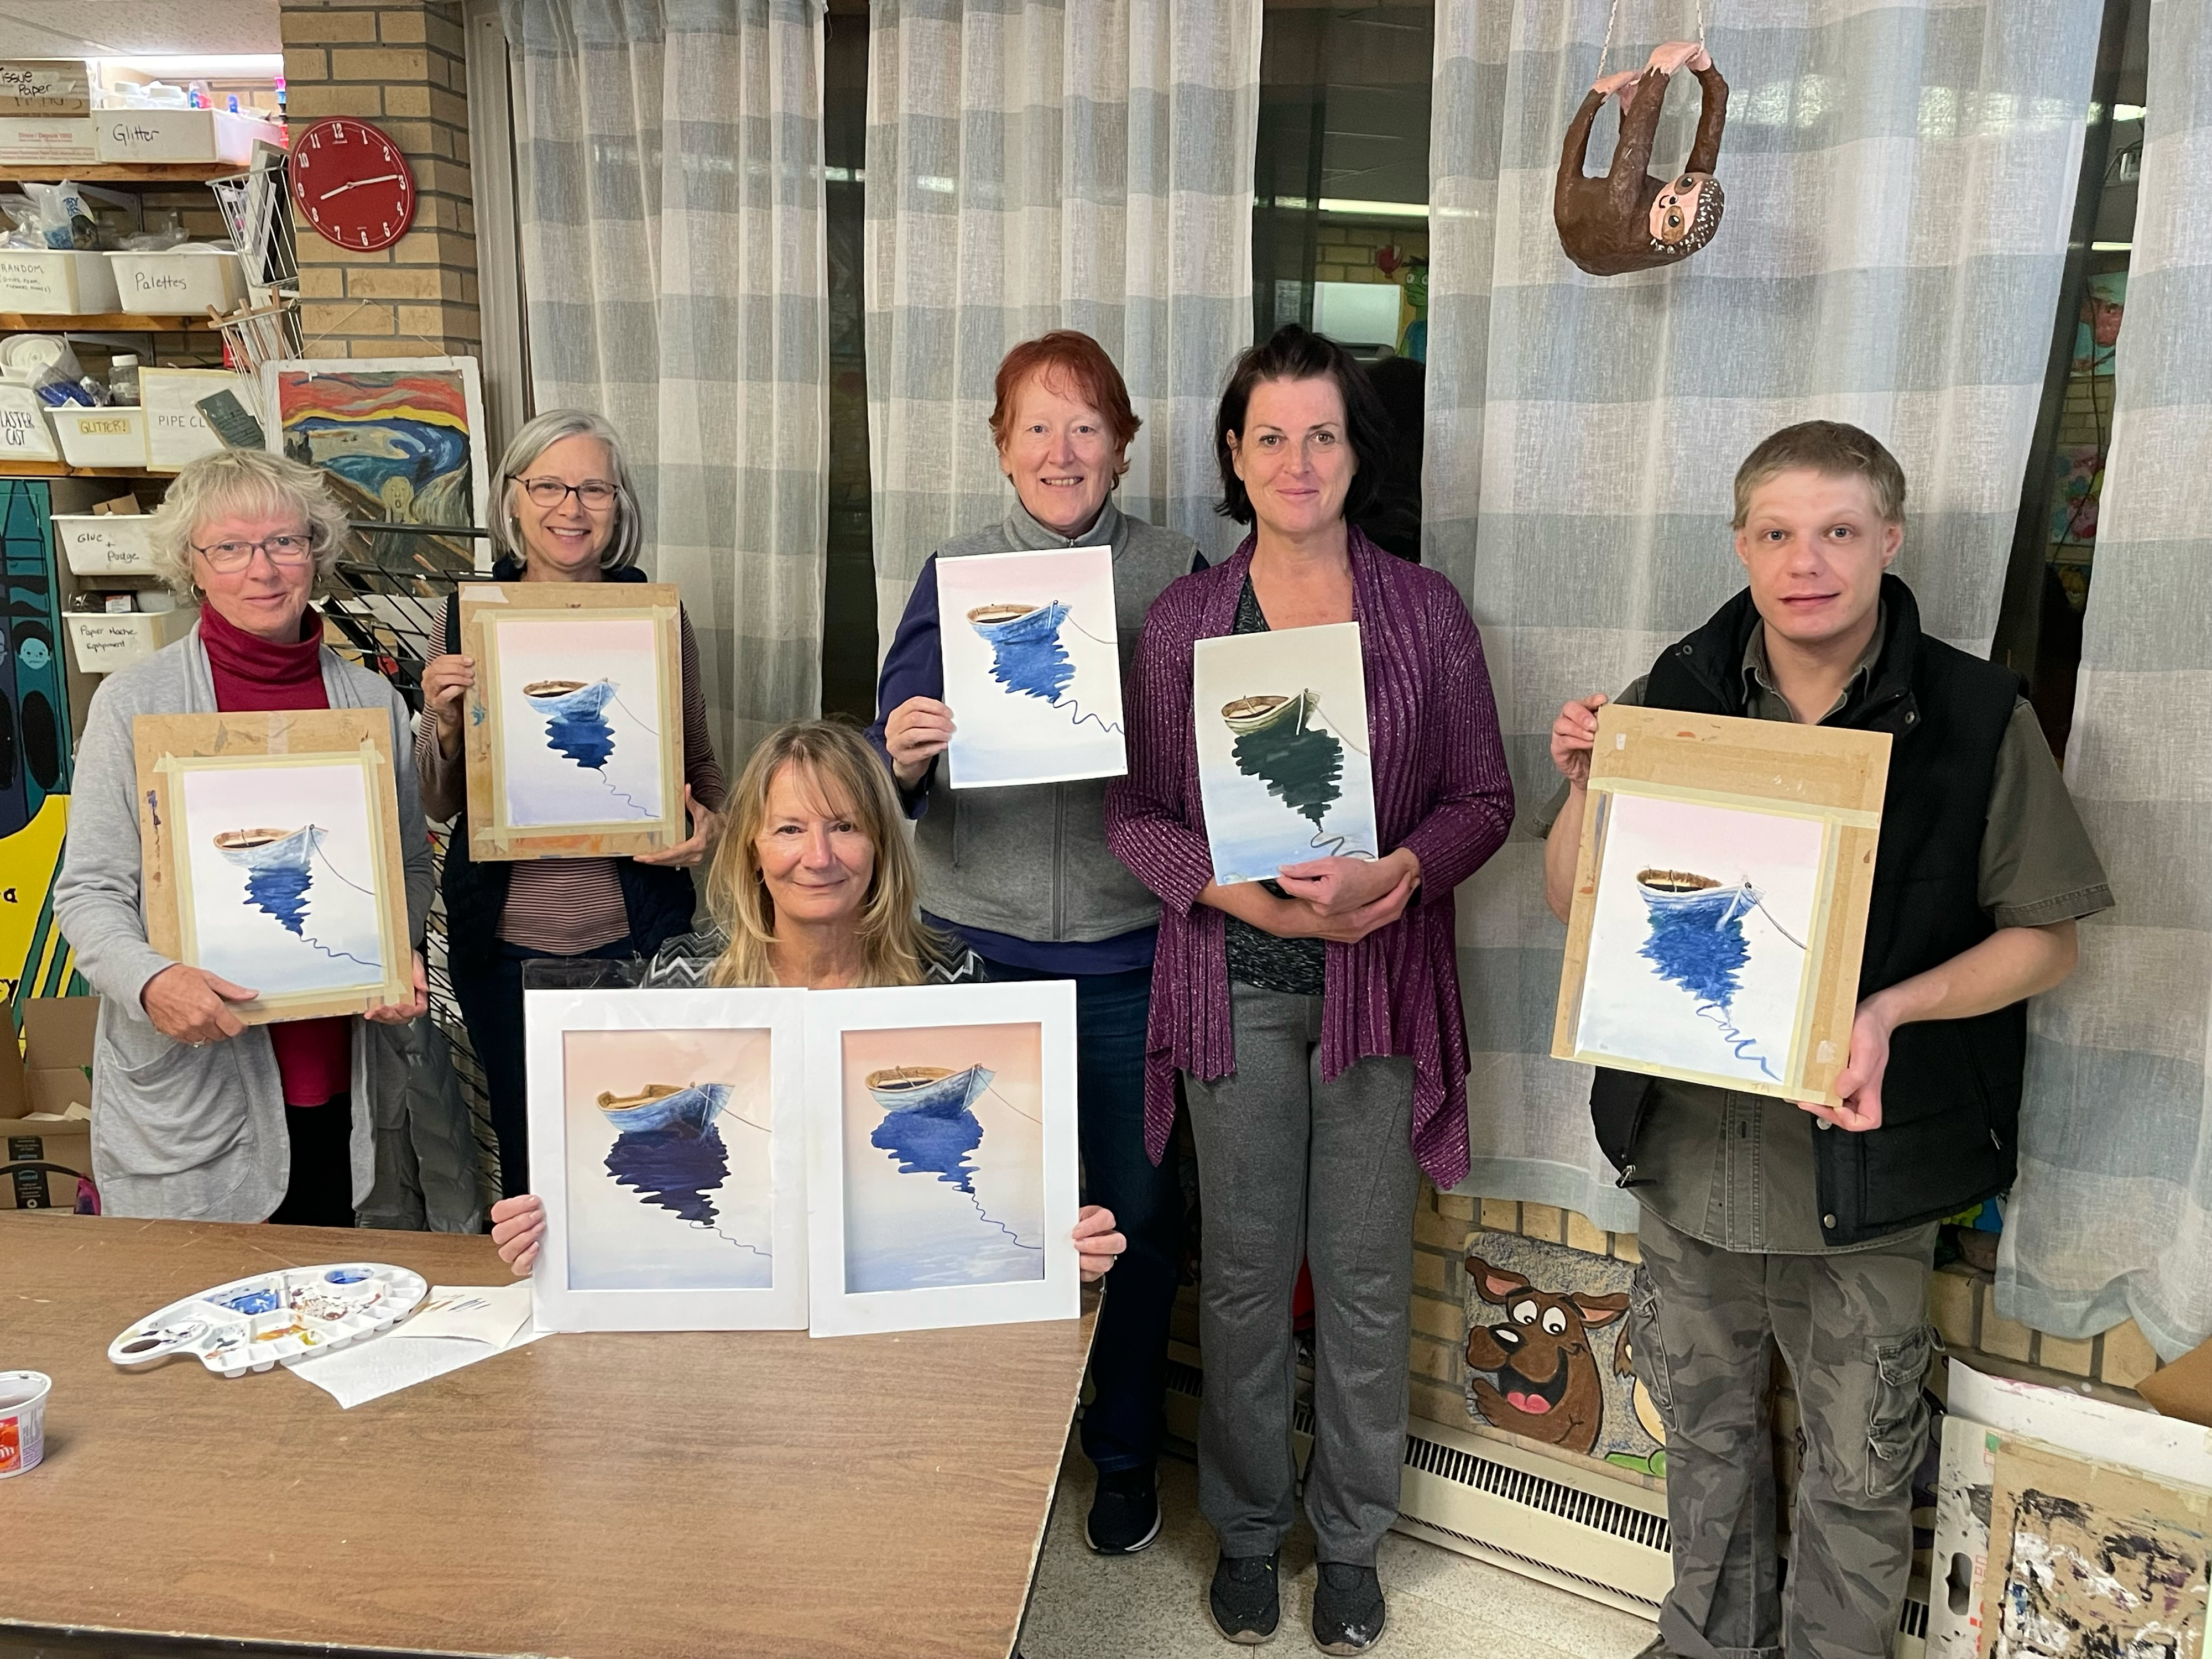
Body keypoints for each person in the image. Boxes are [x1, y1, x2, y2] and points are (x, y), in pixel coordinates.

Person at [1540, 422, 2111, 1659]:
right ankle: (1707, 1643)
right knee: (1701, 1440)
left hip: (1865, 1168)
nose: (1807, 561)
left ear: (1888, 538)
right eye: (1778, 533)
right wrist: (1588, 783)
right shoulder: (1672, 693)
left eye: (1839, 530)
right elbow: (1570, 902)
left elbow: (2047, 941)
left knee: (1859, 1462)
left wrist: (1886, 1012)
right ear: (1741, 546)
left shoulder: (1975, 713)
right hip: (1685, 1152)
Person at [1104, 324, 1515, 1654]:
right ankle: (1244, 1528)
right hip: (1231, 990)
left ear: (1354, 452)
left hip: (1374, 994)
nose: (1296, 460)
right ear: (1233, 454)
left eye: (1321, 434)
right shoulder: (1184, 622)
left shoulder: (1423, 611)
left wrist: (1403, 867)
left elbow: (1484, 797)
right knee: (1239, 1276)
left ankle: (1347, 1540)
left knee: (1362, 1278)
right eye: (1270, 435)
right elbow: (1134, 813)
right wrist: (1231, 894)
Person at [868, 331, 1202, 1554]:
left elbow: (1216, 760)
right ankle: (993, 1449)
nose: (1063, 452)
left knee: (1134, 1224)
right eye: (1037, 428)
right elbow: (888, 767)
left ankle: (1123, 1454)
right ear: (1001, 448)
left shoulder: (1178, 570)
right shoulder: (954, 572)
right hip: (979, 953)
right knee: (973, 1209)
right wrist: (903, 755)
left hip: (1128, 958)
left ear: (1122, 446)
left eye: (1086, 427)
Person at [487, 719, 1127, 1283]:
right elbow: (627, 1172)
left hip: (900, 1293)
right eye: (789, 829)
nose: (818, 858)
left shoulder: (952, 980)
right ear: (753, 849)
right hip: (731, 1288)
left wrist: (1057, 1240)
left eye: (844, 827)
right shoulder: (684, 978)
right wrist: (555, 1233)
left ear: (880, 845)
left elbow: (1007, 1175)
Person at [54, 449, 433, 1223]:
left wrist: (396, 948)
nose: (262, 569)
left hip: (341, 1076)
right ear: (193, 566)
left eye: (284, 542)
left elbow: (410, 867)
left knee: (336, 1279)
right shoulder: (134, 704)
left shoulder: (370, 702)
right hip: (197, 1091)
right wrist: (153, 982)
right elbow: (89, 893)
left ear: (315, 552)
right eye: (230, 547)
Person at [416, 410, 725, 1199]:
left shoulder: (654, 615)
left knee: (645, 1155)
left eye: (594, 489)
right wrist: (441, 725)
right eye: (549, 486)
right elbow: (439, 799)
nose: (571, 508)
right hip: (504, 953)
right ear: (513, 499)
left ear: (619, 505)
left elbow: (698, 766)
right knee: (533, 1162)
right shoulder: (464, 619)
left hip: (635, 941)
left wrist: (706, 829)